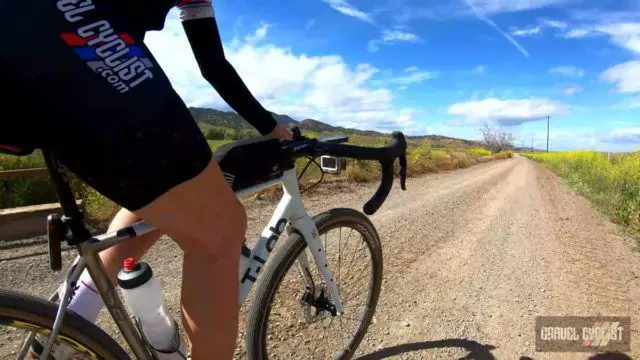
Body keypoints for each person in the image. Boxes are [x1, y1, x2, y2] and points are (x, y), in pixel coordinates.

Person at [0, 0, 292, 358]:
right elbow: (213, 64)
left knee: (166, 195)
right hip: (70, 33)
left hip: (33, 33)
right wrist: (270, 127)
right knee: (222, 230)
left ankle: (74, 315)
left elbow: (211, 63)